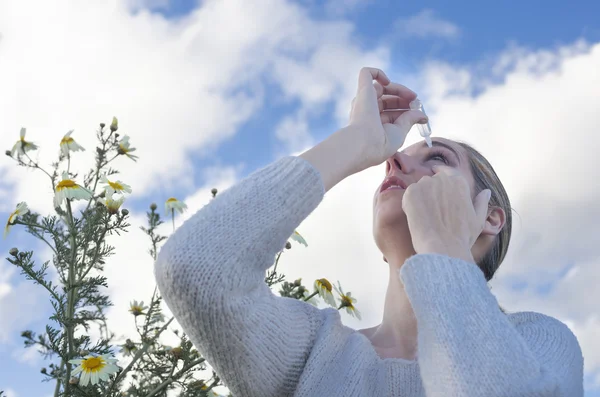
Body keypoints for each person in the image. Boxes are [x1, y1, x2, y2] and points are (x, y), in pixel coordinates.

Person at [154, 67, 584, 396]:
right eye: (395, 156)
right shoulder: (314, 352)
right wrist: (357, 140)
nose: (394, 162)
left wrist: (444, 247)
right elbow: (195, 268)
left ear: (490, 216)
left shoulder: (538, 341)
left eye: (437, 159)